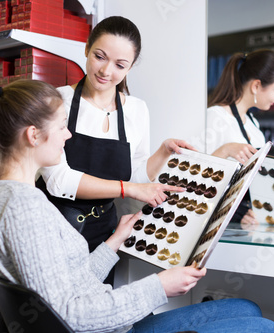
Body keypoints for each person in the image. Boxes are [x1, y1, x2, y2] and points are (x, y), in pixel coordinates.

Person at [0, 80, 274, 333]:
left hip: (107, 322)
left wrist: (114, 242)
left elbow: (67, 285)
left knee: (247, 310)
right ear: (33, 135)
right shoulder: (23, 210)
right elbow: (70, 314)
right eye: (63, 126)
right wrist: (159, 286)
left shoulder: (16, 197)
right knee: (263, 327)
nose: (68, 135)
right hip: (102, 327)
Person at [36, 16, 191, 251]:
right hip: (56, 227)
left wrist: (163, 152)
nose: (106, 71)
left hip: (105, 233)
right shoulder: (56, 102)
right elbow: (59, 181)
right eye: (99, 57)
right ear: (86, 49)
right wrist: (127, 189)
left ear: (130, 67)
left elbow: (133, 177)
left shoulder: (137, 110)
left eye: (120, 65)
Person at [204, 49, 274, 225]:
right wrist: (226, 149)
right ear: (256, 86)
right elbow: (195, 175)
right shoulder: (216, 117)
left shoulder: (253, 124)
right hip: (214, 221)